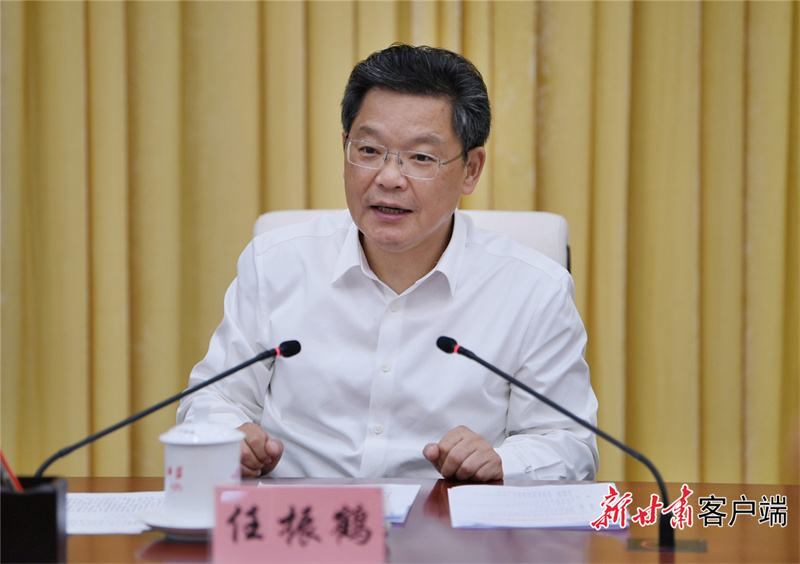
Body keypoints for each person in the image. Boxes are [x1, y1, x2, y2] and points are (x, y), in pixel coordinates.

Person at [177, 44, 599, 483]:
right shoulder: (276, 264)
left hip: (447, 520)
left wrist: (502, 462)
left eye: (421, 157)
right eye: (369, 150)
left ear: (471, 169)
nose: (389, 178)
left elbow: (568, 442)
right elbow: (211, 400)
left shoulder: (533, 290)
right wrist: (229, 437)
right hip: (299, 517)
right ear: (345, 148)